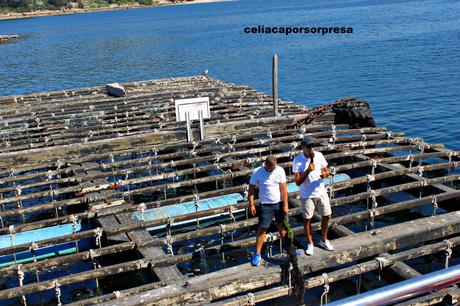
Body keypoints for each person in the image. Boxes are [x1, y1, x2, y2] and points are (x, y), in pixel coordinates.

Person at [293, 136, 334, 255]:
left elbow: (327, 170)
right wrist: (307, 171)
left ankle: (323, 240)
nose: (312, 149)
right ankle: (310, 243)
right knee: (307, 220)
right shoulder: (297, 160)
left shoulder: (319, 155)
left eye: (313, 146)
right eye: (309, 146)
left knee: (327, 215)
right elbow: (297, 182)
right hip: (306, 194)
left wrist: (325, 174)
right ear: (303, 147)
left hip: (321, 191)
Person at [248, 156, 288, 266]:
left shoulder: (280, 170)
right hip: (265, 205)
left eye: (274, 167)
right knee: (262, 229)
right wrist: (251, 204)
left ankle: (288, 249)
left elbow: (284, 189)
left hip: (278, 204)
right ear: (266, 164)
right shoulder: (257, 172)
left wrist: (285, 205)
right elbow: (251, 189)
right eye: (271, 168)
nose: (273, 169)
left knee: (282, 227)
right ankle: (257, 254)